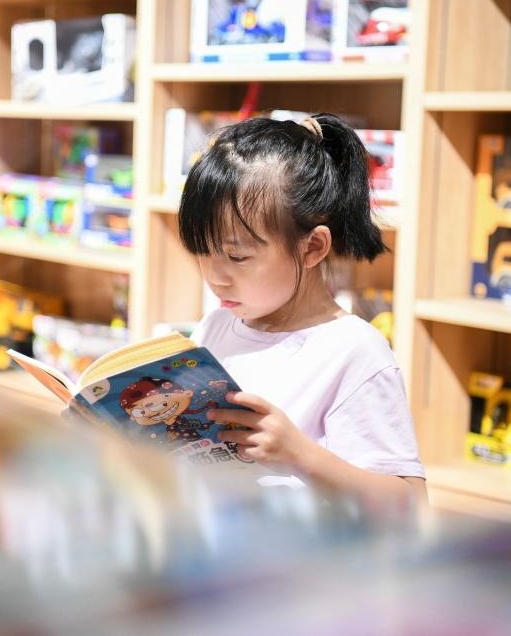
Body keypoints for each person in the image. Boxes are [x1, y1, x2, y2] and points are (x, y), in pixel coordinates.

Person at [179, 113, 426, 511]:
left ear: (312, 248)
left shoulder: (355, 351)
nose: (214, 277)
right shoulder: (215, 327)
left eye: (237, 257)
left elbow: (411, 507)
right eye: (201, 252)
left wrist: (299, 454)